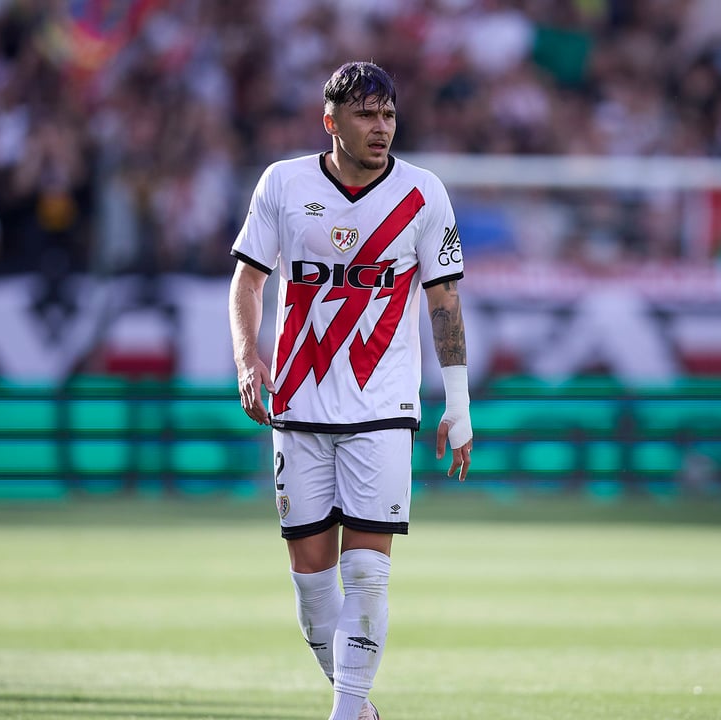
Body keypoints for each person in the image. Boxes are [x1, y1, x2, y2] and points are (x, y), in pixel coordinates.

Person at [228, 61, 473, 720]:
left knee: (367, 573)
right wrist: (248, 359)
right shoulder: (283, 183)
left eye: (388, 114)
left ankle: (343, 712)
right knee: (313, 591)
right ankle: (360, 709)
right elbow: (249, 280)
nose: (380, 127)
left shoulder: (423, 193)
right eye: (366, 114)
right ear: (330, 121)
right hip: (298, 402)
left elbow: (444, 301)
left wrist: (457, 402)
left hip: (382, 405)